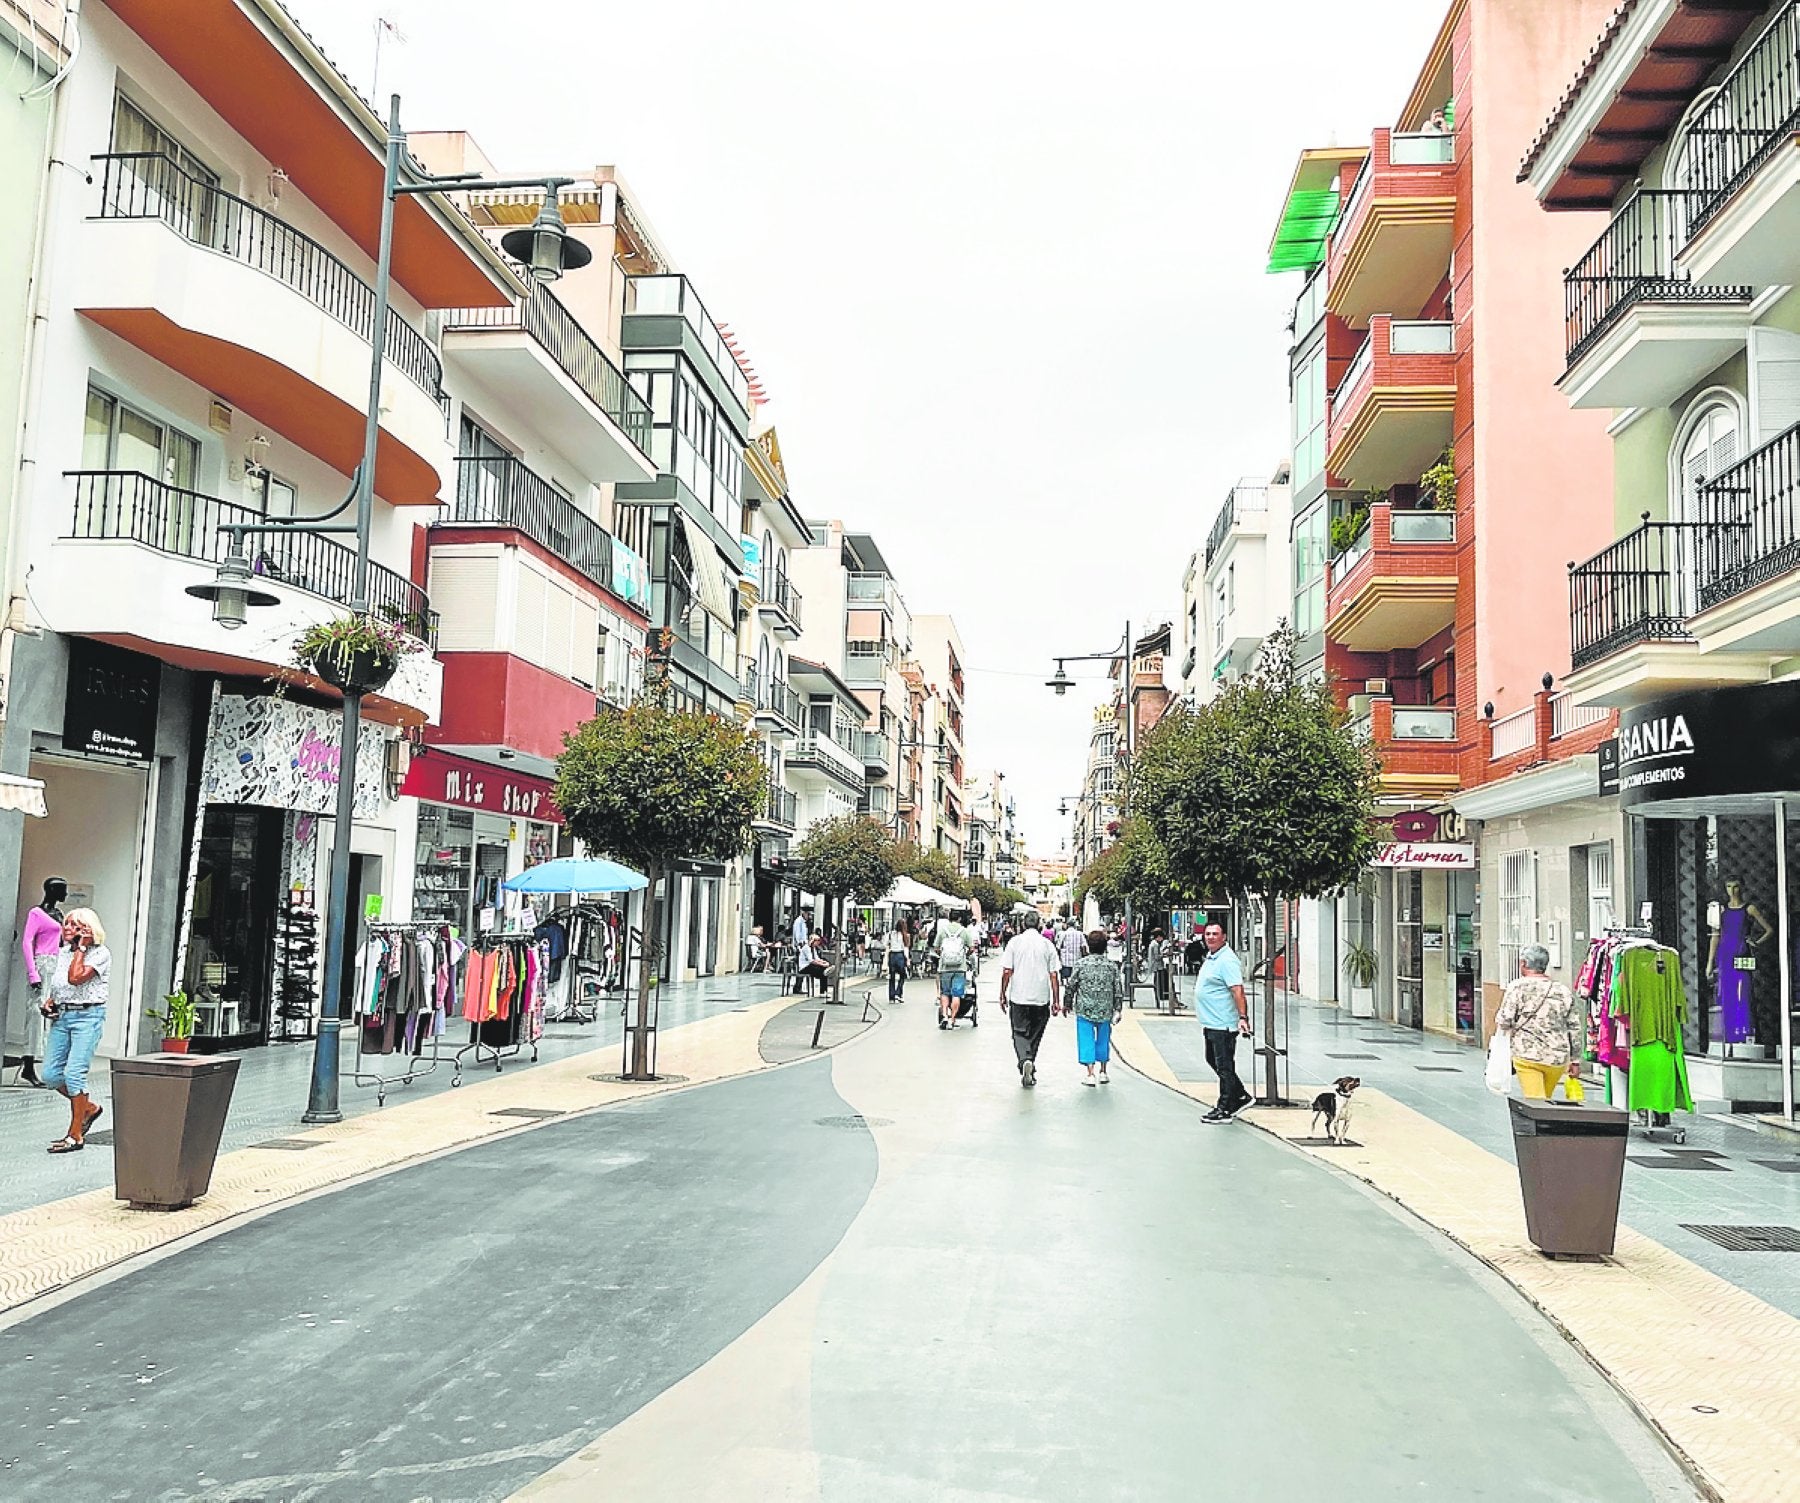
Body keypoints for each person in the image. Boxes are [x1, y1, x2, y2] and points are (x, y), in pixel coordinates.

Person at [40, 908, 110, 1154]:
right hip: (63, 1016)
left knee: (73, 1073)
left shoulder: (100, 954)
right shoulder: (62, 953)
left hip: (88, 1017)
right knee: (50, 1074)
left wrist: (81, 949)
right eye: (67, 924)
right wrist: (50, 1001)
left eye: (75, 925)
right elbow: (61, 984)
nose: (67, 928)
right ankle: (88, 1108)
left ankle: (75, 1135)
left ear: (89, 931)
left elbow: (76, 978)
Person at [1496, 943, 1586, 1101]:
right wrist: (1575, 1060)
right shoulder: (1562, 990)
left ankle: (1544, 1125)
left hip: (1527, 1055)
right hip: (1557, 1058)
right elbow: (1575, 1027)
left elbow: (1505, 1020)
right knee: (1545, 1098)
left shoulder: (1517, 987)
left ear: (1523, 963)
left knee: (1536, 1102)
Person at [1195, 921, 1253, 1122]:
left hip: (1223, 1024)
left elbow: (1237, 990)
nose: (1210, 937)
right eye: (1208, 933)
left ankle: (1225, 1107)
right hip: (1211, 1022)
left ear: (1224, 937)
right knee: (1214, 1061)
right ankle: (1240, 1095)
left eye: (1215, 934)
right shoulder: (1212, 957)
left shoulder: (1227, 960)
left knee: (1224, 1066)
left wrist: (1243, 1017)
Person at [999, 921, 1061, 1087]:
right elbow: (1054, 974)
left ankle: (1025, 1060)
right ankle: (1030, 1063)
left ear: (1023, 925)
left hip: (1019, 996)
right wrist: (1056, 1000)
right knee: (1035, 1035)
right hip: (1041, 998)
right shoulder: (1047, 945)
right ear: (1039, 926)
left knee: (1019, 1033)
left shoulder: (1014, 943)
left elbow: (1007, 971)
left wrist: (1002, 993)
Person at [1066, 928, 1124, 1086]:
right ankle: (1103, 1071)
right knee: (1104, 1038)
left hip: (1084, 1008)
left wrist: (1066, 1003)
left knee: (1086, 1038)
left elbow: (1071, 985)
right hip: (1106, 1009)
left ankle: (1090, 1073)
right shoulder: (1111, 966)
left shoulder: (1081, 964)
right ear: (1105, 946)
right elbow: (1118, 989)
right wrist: (1118, 1009)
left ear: (1089, 946)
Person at [935, 911, 975, 1029]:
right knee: (956, 994)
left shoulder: (943, 930)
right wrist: (965, 955)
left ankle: (945, 1017)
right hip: (959, 967)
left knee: (945, 993)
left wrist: (943, 955)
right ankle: (952, 1019)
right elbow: (972, 948)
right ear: (959, 918)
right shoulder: (964, 931)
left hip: (945, 967)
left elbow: (936, 947)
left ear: (949, 918)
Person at [791, 931, 831, 998]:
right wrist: (822, 965)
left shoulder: (813, 948)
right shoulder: (806, 948)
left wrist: (824, 962)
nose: (818, 942)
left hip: (811, 966)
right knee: (822, 972)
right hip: (805, 967)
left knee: (823, 972)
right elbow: (811, 961)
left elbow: (817, 958)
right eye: (817, 941)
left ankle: (823, 991)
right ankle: (823, 991)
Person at [885, 916, 909, 1002]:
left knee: (892, 976)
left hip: (892, 955)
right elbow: (905, 948)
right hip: (900, 955)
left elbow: (886, 943)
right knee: (902, 975)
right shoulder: (904, 935)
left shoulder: (891, 934)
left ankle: (891, 996)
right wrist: (908, 959)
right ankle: (898, 993)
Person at [1057, 920, 1085, 991]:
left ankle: (1067, 987)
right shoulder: (1080, 934)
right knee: (1075, 977)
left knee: (1066, 977)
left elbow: (1058, 946)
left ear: (1067, 925)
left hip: (1065, 960)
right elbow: (1084, 946)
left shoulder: (1063, 934)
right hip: (1077, 959)